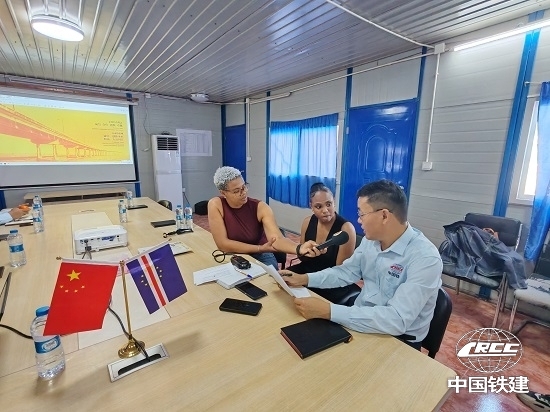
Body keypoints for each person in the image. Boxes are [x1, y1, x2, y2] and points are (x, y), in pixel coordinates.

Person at [281, 179, 443, 349]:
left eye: (361, 214)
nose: (358, 220)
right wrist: (304, 279)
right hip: (362, 318)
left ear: (384, 215)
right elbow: (345, 272)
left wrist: (329, 311)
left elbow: (397, 319)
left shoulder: (425, 258)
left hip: (399, 339)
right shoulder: (371, 241)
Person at [208, 166, 320, 269]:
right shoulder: (216, 205)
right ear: (223, 193)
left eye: (244, 186)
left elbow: (277, 239)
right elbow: (223, 244)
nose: (244, 192)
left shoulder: (260, 207)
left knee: (268, 279)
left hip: (261, 255)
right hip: (234, 254)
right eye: (236, 191)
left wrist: (299, 248)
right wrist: (259, 248)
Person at [286, 182, 359, 303]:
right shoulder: (307, 222)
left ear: (334, 202)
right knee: (282, 279)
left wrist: (307, 279)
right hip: (308, 270)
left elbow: (341, 271)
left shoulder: (346, 229)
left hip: (331, 280)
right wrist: (307, 253)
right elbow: (301, 257)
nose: (325, 210)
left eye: (329, 204)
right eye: (319, 207)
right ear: (311, 207)